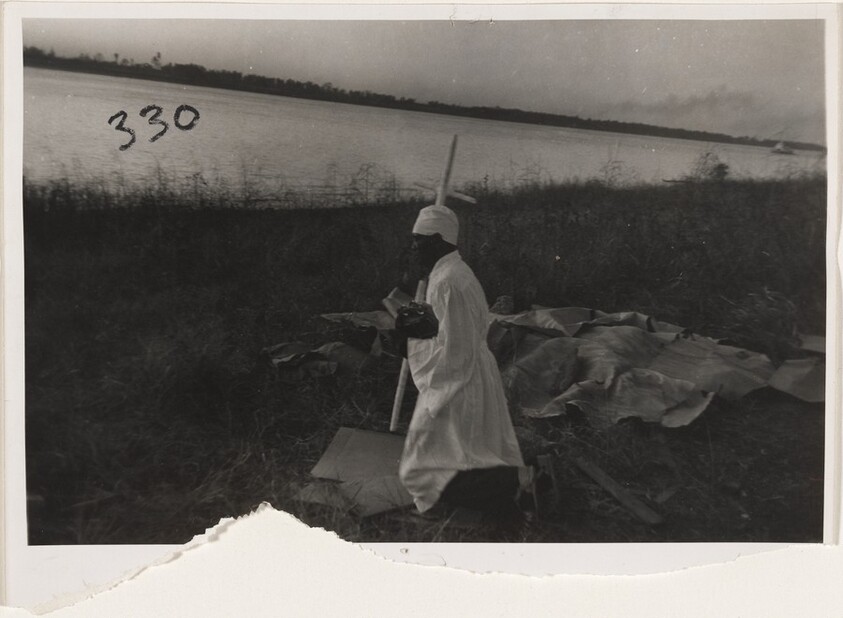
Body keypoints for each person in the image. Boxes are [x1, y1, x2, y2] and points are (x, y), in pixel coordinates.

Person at [394, 204, 531, 519]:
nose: (413, 247)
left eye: (418, 240)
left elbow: (456, 352)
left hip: (460, 378)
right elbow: (453, 336)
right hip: (468, 371)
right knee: (464, 448)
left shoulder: (448, 282)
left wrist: (410, 346)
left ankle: (509, 491)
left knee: (435, 461)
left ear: (438, 240)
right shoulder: (452, 272)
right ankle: (506, 489)